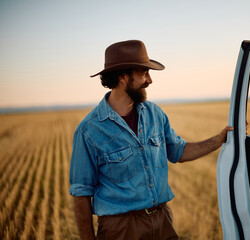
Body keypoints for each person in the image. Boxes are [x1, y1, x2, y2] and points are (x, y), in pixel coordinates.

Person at [69, 40, 234, 240]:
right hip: (121, 229)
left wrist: (219, 139)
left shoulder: (154, 113)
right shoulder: (89, 131)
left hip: (162, 220)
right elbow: (81, 194)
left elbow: (179, 151)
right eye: (144, 73)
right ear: (122, 77)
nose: (149, 80)